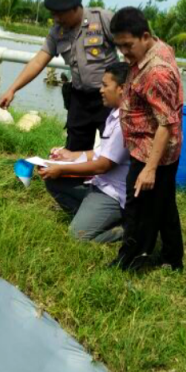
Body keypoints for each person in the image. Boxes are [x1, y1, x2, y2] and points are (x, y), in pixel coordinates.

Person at [108, 7, 185, 271]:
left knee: (137, 207)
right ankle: (173, 258)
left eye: (128, 46)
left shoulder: (156, 72)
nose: (124, 53)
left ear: (145, 36)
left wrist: (150, 168)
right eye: (119, 46)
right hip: (156, 148)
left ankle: (130, 260)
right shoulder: (156, 48)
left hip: (152, 150)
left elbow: (166, 123)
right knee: (164, 205)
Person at [0, 0, 118, 151]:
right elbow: (38, 61)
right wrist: (12, 89)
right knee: (74, 149)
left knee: (113, 148)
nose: (56, 19)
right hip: (79, 99)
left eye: (60, 14)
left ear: (75, 8)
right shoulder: (57, 32)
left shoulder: (102, 19)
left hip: (109, 97)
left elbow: (130, 45)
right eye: (53, 14)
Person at [39, 63, 131, 243]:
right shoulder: (114, 114)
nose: (101, 90)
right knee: (53, 180)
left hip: (112, 194)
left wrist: (61, 168)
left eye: (105, 85)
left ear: (122, 88)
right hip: (98, 184)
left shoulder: (125, 122)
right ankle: (89, 218)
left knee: (77, 237)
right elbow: (100, 153)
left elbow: (103, 165)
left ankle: (125, 230)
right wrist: (68, 155)